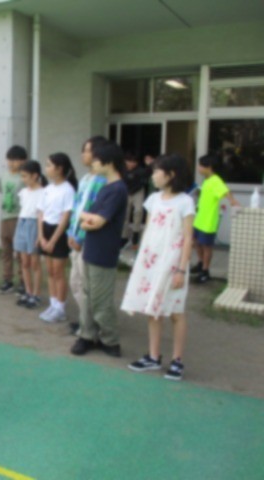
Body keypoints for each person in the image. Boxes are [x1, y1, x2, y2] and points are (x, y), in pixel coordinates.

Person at [121, 154, 194, 381]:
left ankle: (177, 360)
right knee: (152, 309)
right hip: (151, 262)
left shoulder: (185, 201)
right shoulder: (153, 199)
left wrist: (181, 269)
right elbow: (149, 229)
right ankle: (153, 356)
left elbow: (188, 238)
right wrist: (141, 261)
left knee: (176, 312)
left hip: (173, 264)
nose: (152, 175)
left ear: (171, 175)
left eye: (156, 171)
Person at [71, 142, 128, 357]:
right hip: (91, 248)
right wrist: (88, 220)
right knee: (87, 296)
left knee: (100, 300)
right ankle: (87, 336)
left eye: (96, 159)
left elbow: (97, 220)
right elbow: (90, 219)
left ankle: (110, 340)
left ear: (109, 162)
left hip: (104, 252)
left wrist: (84, 217)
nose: (92, 162)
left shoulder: (117, 189)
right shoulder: (106, 187)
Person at [67, 136, 108, 334]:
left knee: (86, 285)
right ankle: (86, 321)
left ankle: (91, 326)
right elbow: (77, 208)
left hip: (87, 241)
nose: (83, 154)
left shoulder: (103, 181)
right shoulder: (85, 178)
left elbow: (94, 213)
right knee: (76, 283)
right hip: (75, 237)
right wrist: (71, 233)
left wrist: (80, 238)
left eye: (87, 151)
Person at [37, 153, 77, 321]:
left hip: (58, 233)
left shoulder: (68, 190)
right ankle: (53, 305)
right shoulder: (47, 189)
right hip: (45, 230)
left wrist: (53, 240)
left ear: (59, 169)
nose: (46, 168)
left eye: (49, 165)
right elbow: (40, 213)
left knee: (58, 272)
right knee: (50, 271)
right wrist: (41, 236)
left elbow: (65, 218)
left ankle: (60, 307)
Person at [191, 154, 240, 284]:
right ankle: (201, 263)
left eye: (201, 166)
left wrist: (233, 202)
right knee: (196, 242)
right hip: (199, 219)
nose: (199, 168)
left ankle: (205, 271)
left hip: (209, 220)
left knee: (207, 246)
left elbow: (226, 192)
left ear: (209, 167)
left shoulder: (216, 180)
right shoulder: (207, 180)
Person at [13, 160, 45, 309]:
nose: (23, 179)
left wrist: (40, 235)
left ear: (35, 175)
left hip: (34, 225)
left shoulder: (43, 192)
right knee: (24, 262)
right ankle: (28, 291)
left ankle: (36, 294)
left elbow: (41, 215)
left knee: (34, 263)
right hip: (22, 222)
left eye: (25, 176)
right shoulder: (23, 192)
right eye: (21, 176)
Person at [0, 146, 27, 294]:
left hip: (19, 217)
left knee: (20, 252)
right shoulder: (3, 176)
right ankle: (7, 280)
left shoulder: (24, 177)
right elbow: (1, 190)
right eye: (9, 159)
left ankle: (23, 280)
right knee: (6, 250)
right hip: (5, 217)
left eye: (15, 160)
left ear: (23, 161)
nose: (11, 163)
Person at [122, 151, 149, 249]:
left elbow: (147, 176)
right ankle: (124, 238)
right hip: (126, 192)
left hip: (138, 191)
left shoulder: (140, 171)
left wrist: (149, 165)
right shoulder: (122, 169)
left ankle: (135, 235)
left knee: (138, 211)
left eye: (133, 162)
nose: (131, 164)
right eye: (128, 161)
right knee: (125, 214)